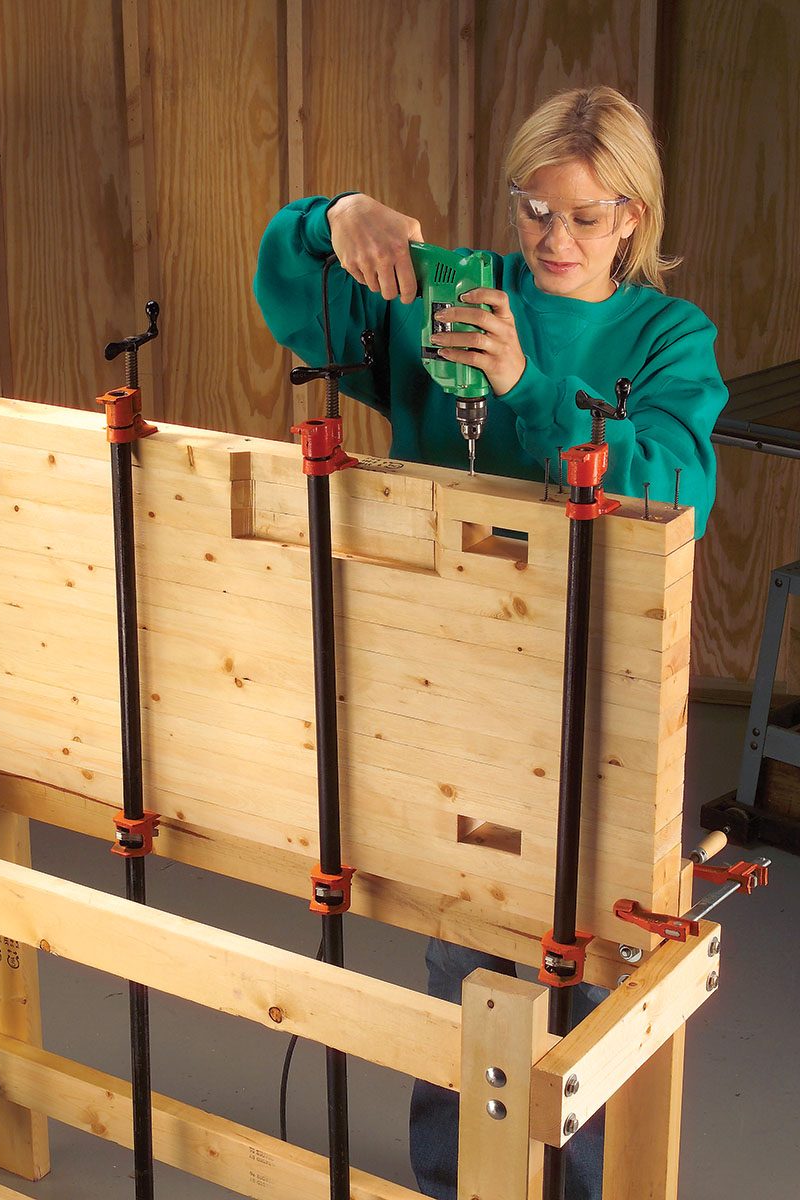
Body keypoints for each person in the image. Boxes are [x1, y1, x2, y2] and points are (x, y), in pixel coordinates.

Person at [253, 85, 727, 1199]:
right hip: (454, 670)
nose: (554, 241)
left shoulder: (668, 336)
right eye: (533, 212)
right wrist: (330, 221)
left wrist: (533, 390)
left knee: (593, 960)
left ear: (635, 222)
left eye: (586, 217)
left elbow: (670, 483)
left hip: (595, 683)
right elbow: (296, 302)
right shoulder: (455, 291)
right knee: (466, 946)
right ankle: (457, 1177)